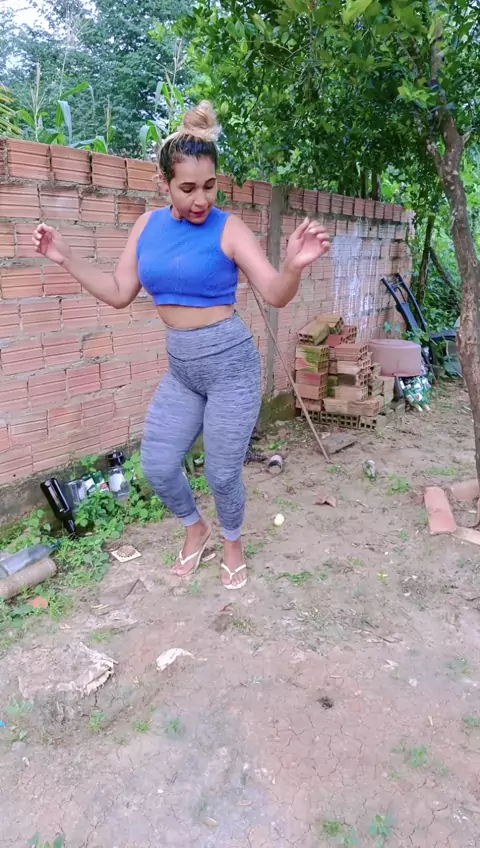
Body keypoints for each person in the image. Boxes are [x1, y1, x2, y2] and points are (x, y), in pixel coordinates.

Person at [33, 100, 329, 590]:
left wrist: (294, 265)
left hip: (231, 366)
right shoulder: (147, 227)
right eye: (187, 188)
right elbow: (119, 292)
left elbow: (275, 293)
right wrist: (66, 257)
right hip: (184, 370)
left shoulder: (228, 228)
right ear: (164, 183)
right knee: (157, 465)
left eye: (209, 186)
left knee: (222, 472)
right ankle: (196, 528)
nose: (200, 199)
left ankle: (232, 541)